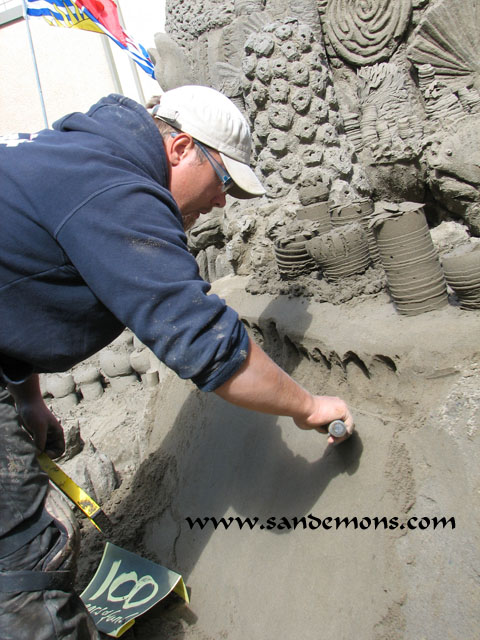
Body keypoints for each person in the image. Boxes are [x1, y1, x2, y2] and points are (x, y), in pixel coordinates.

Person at [0, 85, 354, 638]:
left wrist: (28, 396)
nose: (221, 202)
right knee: (23, 570)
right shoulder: (116, 189)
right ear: (182, 148)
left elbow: (13, 288)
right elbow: (202, 341)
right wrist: (307, 405)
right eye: (223, 183)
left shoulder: (83, 155)